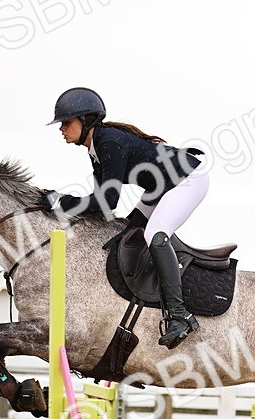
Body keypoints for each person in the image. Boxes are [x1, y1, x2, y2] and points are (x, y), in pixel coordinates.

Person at [44, 87, 207, 349]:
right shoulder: (96, 148)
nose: (61, 129)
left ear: (86, 121)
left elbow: (107, 201)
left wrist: (60, 201)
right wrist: (62, 204)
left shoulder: (109, 142)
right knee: (126, 232)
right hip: (162, 187)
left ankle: (180, 315)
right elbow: (102, 207)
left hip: (188, 181)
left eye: (66, 122)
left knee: (154, 235)